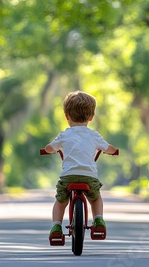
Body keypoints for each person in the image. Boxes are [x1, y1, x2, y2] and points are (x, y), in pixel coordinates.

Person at [43, 90, 118, 240]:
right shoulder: (94, 135)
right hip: (88, 177)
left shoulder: (64, 135)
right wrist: (113, 151)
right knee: (95, 197)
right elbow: (108, 148)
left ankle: (56, 226)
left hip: (68, 177)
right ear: (91, 117)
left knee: (60, 201)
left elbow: (51, 148)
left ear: (67, 116)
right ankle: (98, 219)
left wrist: (47, 150)